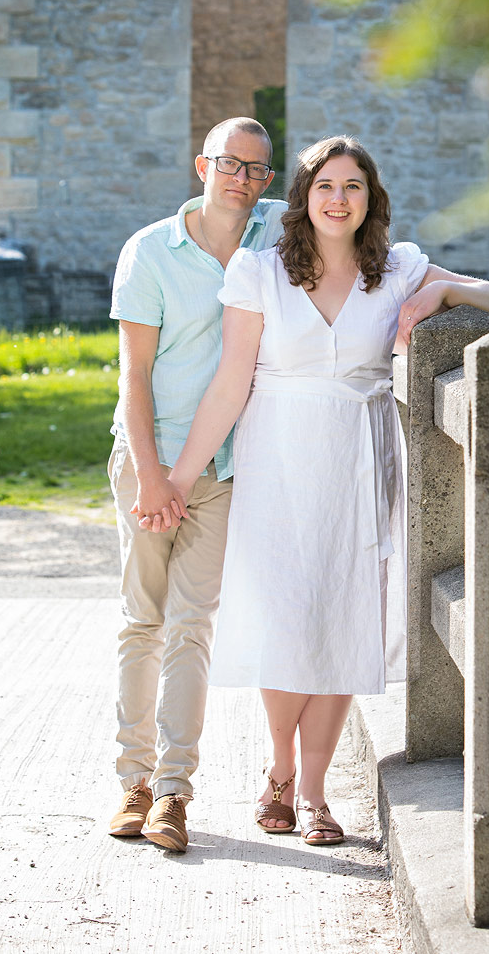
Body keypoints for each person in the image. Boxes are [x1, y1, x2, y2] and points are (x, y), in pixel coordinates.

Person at [140, 136, 489, 845]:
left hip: (360, 456)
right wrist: (179, 477)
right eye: (325, 187)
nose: (338, 199)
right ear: (304, 199)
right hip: (278, 454)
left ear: (369, 199)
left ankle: (311, 796)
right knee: (287, 617)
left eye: (353, 187)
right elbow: (230, 384)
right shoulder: (259, 272)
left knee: (345, 617)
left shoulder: (397, 267)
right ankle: (278, 771)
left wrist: (443, 287)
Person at [107, 116, 288, 853]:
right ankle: (132, 781)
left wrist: (436, 284)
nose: (241, 180)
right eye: (228, 165)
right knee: (142, 621)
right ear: (201, 165)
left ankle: (174, 795)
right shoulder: (151, 250)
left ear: (269, 181)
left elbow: (362, 226)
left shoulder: (276, 234)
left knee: (191, 625)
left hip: (222, 468)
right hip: (149, 461)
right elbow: (135, 374)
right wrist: (151, 474)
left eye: (255, 170)